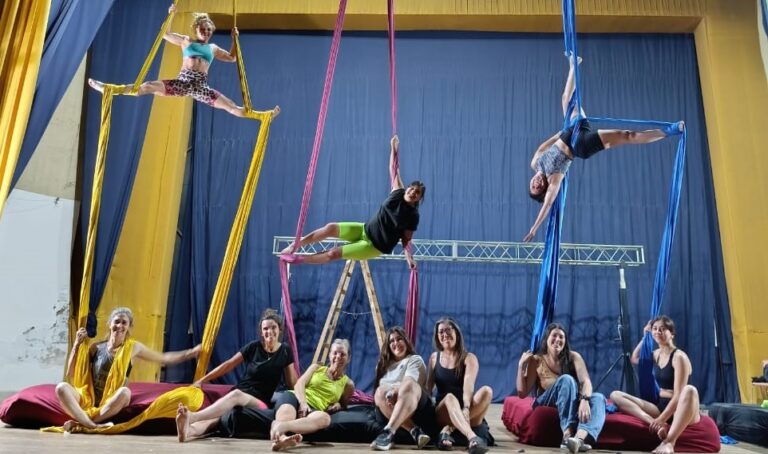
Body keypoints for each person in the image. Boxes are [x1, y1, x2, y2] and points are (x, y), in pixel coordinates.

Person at [523, 54, 684, 242]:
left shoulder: (535, 163)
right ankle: (669, 131)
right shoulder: (553, 180)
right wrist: (534, 229)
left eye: (532, 186)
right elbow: (548, 204)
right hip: (580, 145)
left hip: (569, 131)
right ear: (542, 188)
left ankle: (575, 63)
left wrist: (557, 135)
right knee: (626, 135)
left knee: (567, 98)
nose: (536, 184)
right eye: (538, 188)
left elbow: (542, 147)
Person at [88, 4, 279, 119]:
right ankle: (110, 89)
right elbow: (165, 34)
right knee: (146, 87)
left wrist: (234, 40)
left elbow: (231, 58)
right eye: (203, 30)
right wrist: (171, 14)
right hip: (182, 83)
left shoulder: (212, 48)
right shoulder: (185, 41)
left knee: (232, 107)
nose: (206, 33)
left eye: (209, 31)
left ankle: (263, 116)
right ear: (196, 29)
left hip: (201, 87)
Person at [280, 135, 424, 270]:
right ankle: (294, 246)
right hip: (364, 229)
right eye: (412, 188)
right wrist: (393, 147)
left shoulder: (412, 216)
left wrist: (409, 258)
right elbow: (394, 168)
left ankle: (299, 260)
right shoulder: (398, 191)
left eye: (417, 193)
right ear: (408, 188)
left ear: (418, 199)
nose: (413, 192)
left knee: (333, 253)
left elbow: (406, 240)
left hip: (373, 246)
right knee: (330, 227)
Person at [55, 307, 201, 431]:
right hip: (88, 398)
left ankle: (85, 423)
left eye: (124, 323)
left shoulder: (133, 348)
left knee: (125, 392)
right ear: (109, 324)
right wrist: (76, 344)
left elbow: (163, 358)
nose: (120, 326)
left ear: (129, 327)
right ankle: (90, 425)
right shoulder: (95, 347)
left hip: (112, 400)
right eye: (116, 321)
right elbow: (71, 373)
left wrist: (190, 353)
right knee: (62, 387)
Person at [176, 309, 298, 442]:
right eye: (265, 329)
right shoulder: (253, 347)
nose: (269, 332)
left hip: (260, 402)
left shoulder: (285, 351)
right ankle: (187, 431)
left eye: (273, 327)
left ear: (280, 329)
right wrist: (202, 380)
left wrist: (302, 398)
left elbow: (292, 382)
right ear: (262, 332)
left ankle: (193, 417)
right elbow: (228, 365)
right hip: (239, 395)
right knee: (214, 420)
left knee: (236, 395)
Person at [609, 316, 701, 454]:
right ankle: (656, 425)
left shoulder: (679, 357)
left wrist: (661, 418)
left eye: (663, 329)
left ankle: (669, 442)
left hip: (682, 408)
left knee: (689, 390)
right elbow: (635, 358)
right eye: (655, 329)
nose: (658, 332)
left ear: (672, 334)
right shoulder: (657, 354)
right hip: (662, 406)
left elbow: (677, 396)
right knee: (615, 395)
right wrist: (645, 336)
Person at [517, 322, 606, 454]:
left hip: (571, 399)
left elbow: (586, 381)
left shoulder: (574, 357)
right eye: (554, 336)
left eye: (561, 337)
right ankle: (567, 435)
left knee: (599, 398)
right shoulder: (536, 360)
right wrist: (520, 366)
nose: (557, 340)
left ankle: (577, 440)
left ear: (565, 341)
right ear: (547, 339)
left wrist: (585, 400)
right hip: (547, 400)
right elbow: (522, 393)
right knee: (567, 379)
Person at [268, 339, 356, 451]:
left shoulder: (348, 384)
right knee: (287, 410)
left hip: (315, 409)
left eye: (342, 354)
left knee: (325, 418)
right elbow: (299, 384)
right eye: (335, 353)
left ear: (348, 358)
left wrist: (338, 405)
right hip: (296, 397)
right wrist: (303, 403)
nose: (338, 356)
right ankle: (282, 438)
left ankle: (280, 427)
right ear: (329, 355)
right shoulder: (316, 368)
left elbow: (343, 404)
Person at [425, 318, 492, 453]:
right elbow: (427, 389)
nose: (445, 334)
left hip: (466, 411)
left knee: (487, 391)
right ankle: (472, 437)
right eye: (441, 332)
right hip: (444, 411)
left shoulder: (469, 358)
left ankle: (448, 429)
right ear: (437, 337)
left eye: (448, 330)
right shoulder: (434, 358)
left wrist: (466, 407)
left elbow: (468, 385)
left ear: (456, 332)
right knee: (450, 398)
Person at [371, 326, 434, 451]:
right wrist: (388, 393)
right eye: (392, 341)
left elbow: (408, 382)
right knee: (379, 392)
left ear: (406, 341)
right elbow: (380, 391)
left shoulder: (414, 359)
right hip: (386, 407)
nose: (396, 343)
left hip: (414, 405)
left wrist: (394, 391)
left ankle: (388, 432)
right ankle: (414, 430)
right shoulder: (382, 365)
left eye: (399, 339)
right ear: (388, 346)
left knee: (408, 385)